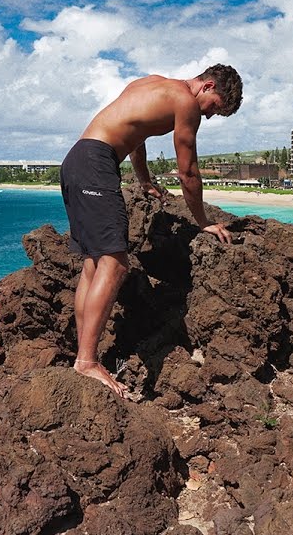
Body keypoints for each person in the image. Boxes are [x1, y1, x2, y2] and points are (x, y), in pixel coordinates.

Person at [59, 64, 243, 398]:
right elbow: (188, 171)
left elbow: (135, 137)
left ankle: (82, 355)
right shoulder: (185, 103)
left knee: (95, 263)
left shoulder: (150, 84)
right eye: (216, 107)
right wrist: (202, 221)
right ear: (208, 85)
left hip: (77, 160)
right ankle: (86, 362)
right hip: (96, 164)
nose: (211, 116)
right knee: (115, 264)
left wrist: (143, 178)